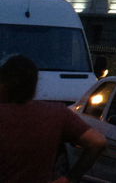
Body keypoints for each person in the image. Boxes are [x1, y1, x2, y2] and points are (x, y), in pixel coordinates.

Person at [0, 54, 108, 183]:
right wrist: (70, 179)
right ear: (34, 85)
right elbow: (97, 142)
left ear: (5, 85)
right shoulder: (56, 113)